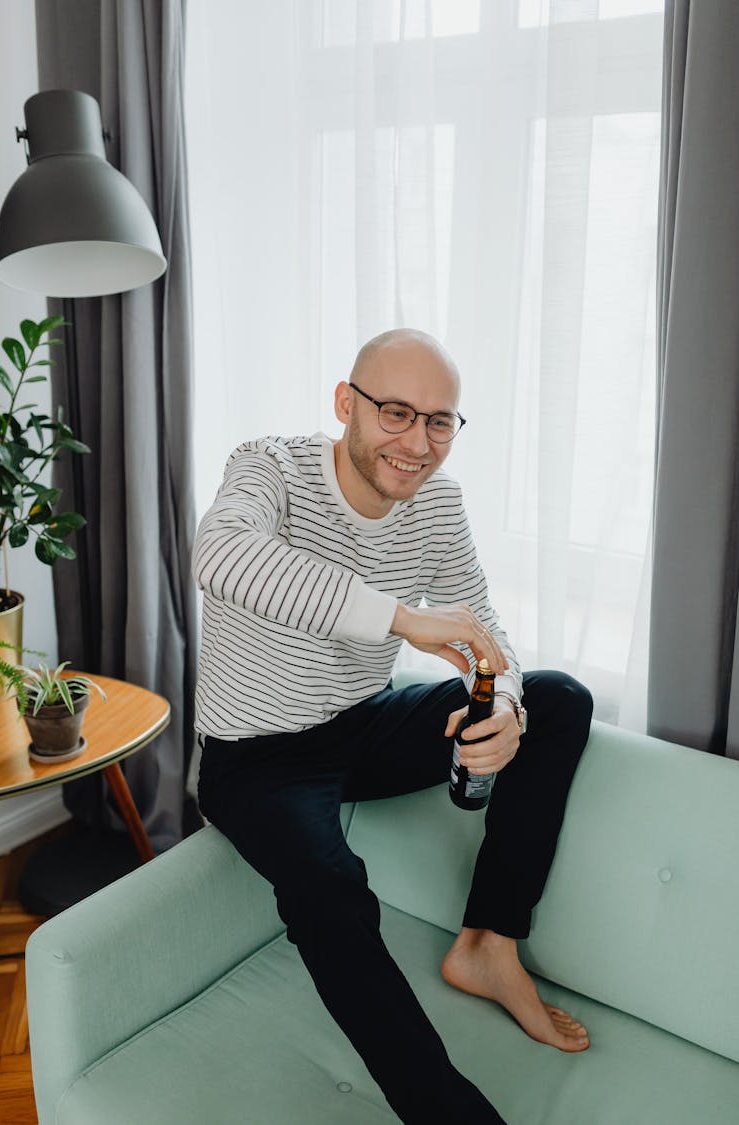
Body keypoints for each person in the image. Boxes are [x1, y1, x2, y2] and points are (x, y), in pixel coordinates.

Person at [193, 328, 593, 1124]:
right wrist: (401, 619)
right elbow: (221, 553)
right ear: (347, 404)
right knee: (332, 890)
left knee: (559, 698)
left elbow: (486, 634)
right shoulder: (270, 465)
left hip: (359, 726)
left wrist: (506, 704)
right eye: (397, 413)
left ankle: (487, 944)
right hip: (255, 758)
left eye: (439, 421)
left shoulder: (437, 503)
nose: (418, 443)